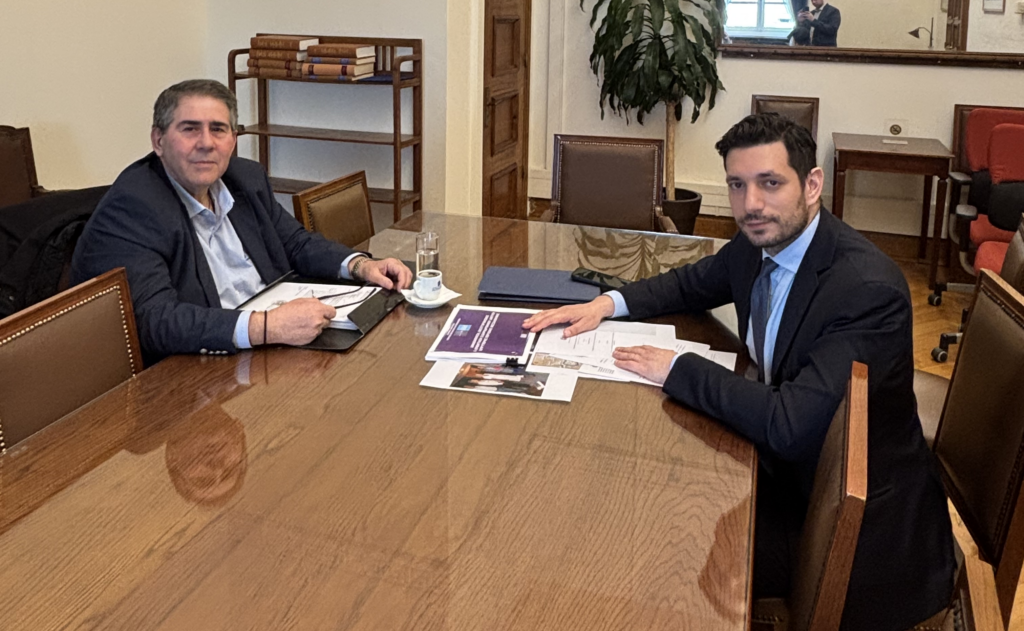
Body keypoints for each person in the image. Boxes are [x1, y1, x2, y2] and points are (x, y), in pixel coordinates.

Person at [523, 113, 954, 630]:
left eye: (770, 183)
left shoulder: (865, 290)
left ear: (812, 185)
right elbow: (690, 283)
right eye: (737, 185)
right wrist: (608, 304)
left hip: (848, 535)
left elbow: (789, 426)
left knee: (651, 553)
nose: (751, 204)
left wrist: (678, 368)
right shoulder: (758, 244)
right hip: (788, 477)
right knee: (640, 501)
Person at [72, 79, 411, 365]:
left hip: (277, 348)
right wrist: (266, 327)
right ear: (158, 141)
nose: (206, 143)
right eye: (190, 129)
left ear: (232, 140)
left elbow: (294, 242)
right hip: (201, 365)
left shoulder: (245, 179)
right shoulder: (134, 206)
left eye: (218, 129)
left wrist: (360, 266)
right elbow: (155, 320)